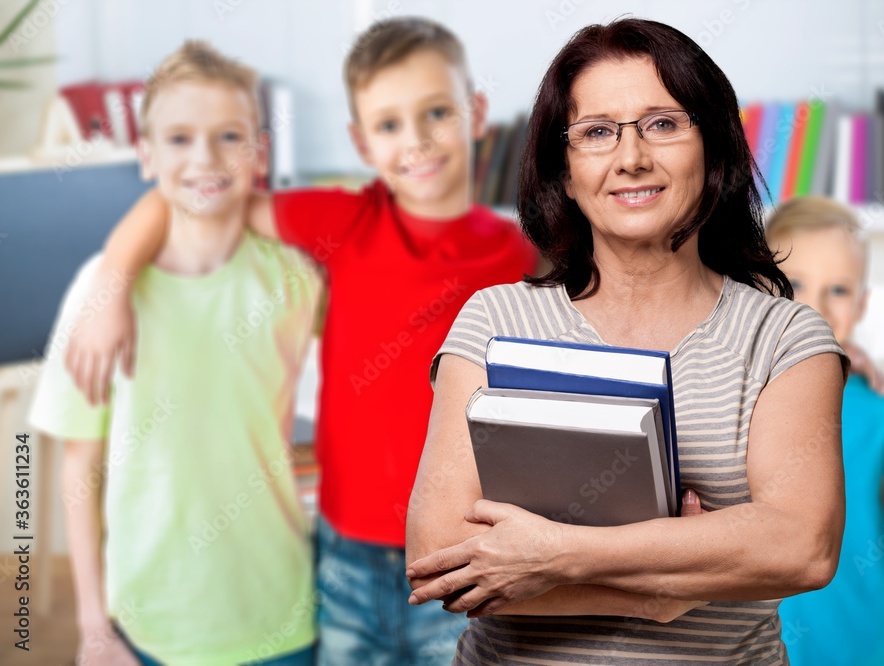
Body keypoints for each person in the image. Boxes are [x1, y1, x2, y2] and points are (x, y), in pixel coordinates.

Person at [61, 18, 538, 665]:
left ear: (476, 113)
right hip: (347, 554)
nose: (417, 141)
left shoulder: (523, 256)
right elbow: (196, 199)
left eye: (436, 113)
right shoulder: (342, 221)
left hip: (464, 547)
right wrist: (114, 281)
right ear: (361, 141)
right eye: (390, 124)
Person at [405, 18, 850, 664]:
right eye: (596, 132)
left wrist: (555, 555)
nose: (631, 157)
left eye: (663, 124)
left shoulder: (783, 337)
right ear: (563, 169)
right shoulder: (494, 323)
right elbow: (440, 556)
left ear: (713, 146)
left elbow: (801, 546)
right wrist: (664, 586)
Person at [28, 41, 320, 665]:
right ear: (145, 156)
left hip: (283, 611)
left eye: (229, 136)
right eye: (180, 138)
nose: (205, 158)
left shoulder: (297, 281)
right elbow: (77, 469)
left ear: (259, 154)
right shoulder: (98, 293)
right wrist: (92, 628)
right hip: (151, 622)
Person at [767, 196, 884, 665]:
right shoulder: (748, 399)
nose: (815, 307)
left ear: (861, 304)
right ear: (762, 286)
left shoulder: (883, 409)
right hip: (775, 641)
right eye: (795, 283)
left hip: (872, 638)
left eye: (837, 290)